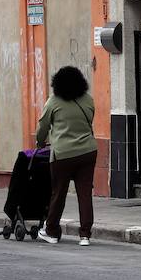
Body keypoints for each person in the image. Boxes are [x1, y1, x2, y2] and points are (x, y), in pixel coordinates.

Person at [35, 66, 97, 246]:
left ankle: (52, 231)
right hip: (87, 151)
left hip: (62, 154)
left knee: (59, 192)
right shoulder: (88, 100)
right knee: (85, 193)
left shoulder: (53, 102)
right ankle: (85, 235)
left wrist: (40, 142)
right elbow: (90, 120)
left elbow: (43, 127)